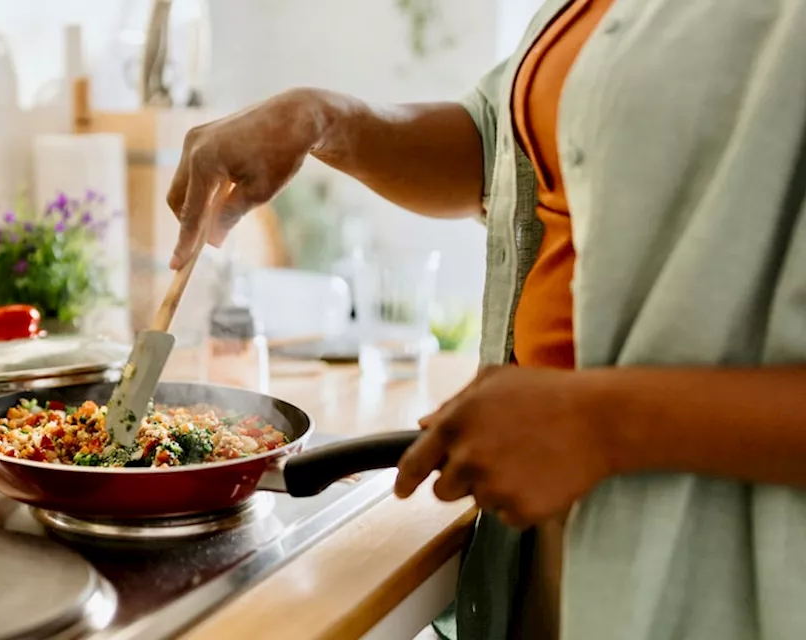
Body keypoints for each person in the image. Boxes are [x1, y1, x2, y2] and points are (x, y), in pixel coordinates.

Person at [165, 1, 806, 639]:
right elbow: (503, 144)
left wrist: (604, 421)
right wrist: (320, 118)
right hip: (550, 533)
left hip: (727, 566)